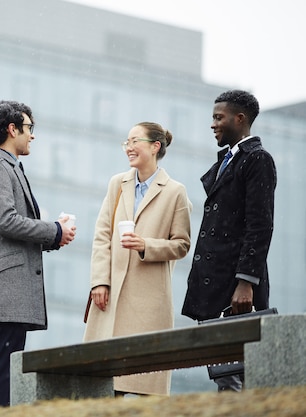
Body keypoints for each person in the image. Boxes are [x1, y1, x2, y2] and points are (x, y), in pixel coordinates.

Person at [0, 100, 76, 410]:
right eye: (29, 128)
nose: (32, 135)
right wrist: (54, 231)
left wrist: (54, 237)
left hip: (11, 289)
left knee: (5, 366)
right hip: (6, 290)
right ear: (12, 129)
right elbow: (7, 221)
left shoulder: (9, 169)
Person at [83, 121, 192, 396]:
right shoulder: (116, 184)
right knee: (103, 383)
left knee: (143, 383)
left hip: (149, 298)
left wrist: (146, 245)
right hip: (110, 294)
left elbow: (181, 245)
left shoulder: (175, 191)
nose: (128, 148)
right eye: (126, 142)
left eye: (135, 141)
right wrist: (99, 282)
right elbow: (102, 235)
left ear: (155, 146)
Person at [182, 90, 277, 392]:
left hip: (236, 287)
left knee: (239, 374)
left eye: (218, 117)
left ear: (240, 118)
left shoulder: (257, 160)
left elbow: (260, 225)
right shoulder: (229, 160)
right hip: (217, 282)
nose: (213, 124)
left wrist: (246, 281)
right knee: (225, 372)